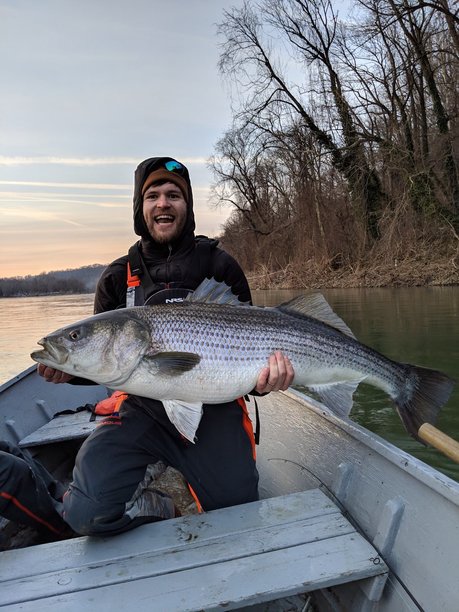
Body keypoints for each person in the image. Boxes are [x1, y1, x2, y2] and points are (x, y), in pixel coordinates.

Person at [0, 157, 294, 538]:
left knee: (237, 516)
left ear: (187, 206)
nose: (163, 203)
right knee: (86, 514)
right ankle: (157, 506)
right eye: (152, 195)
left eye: (173, 195)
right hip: (140, 407)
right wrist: (70, 372)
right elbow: (108, 364)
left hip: (216, 407)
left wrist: (266, 381)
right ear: (140, 209)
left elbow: (248, 355)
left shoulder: (220, 265)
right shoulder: (114, 278)